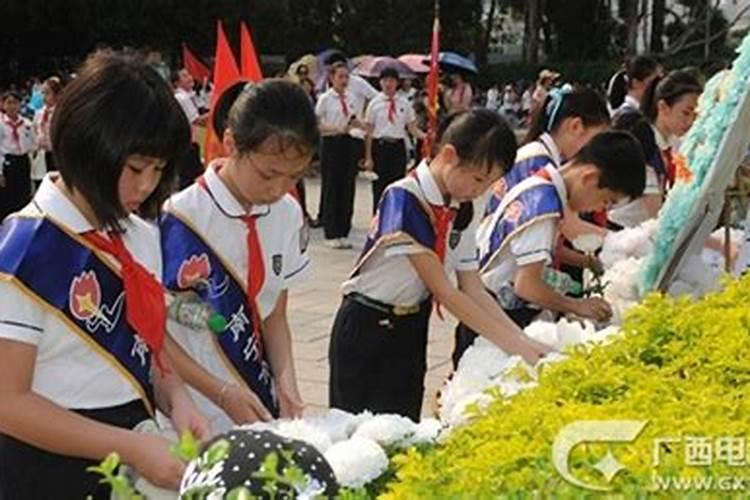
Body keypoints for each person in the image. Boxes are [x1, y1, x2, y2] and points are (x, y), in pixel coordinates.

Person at [0, 52, 208, 499]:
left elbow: (149, 347)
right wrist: (129, 446)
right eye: (135, 168)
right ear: (88, 146)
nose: (147, 186)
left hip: (131, 447)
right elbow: (7, 403)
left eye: (158, 170)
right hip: (45, 463)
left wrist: (178, 399)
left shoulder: (140, 236)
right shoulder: (24, 250)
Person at [329, 109, 551, 421]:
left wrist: (522, 338)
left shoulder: (460, 207)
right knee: (355, 433)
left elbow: (473, 288)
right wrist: (514, 344)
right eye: (477, 178)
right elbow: (445, 291)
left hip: (411, 325)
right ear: (449, 155)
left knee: (403, 427)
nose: (479, 190)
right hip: (367, 324)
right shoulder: (404, 198)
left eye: (488, 183)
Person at [160, 79, 316, 433]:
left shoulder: (287, 213)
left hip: (257, 395)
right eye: (268, 174)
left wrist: (287, 382)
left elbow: (274, 312)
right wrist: (220, 390)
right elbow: (156, 327)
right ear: (230, 143)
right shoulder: (180, 218)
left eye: (293, 176)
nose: (278, 189)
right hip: (192, 404)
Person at [453, 131, 646, 365]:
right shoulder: (543, 206)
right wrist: (577, 306)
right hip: (496, 316)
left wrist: (589, 263)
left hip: (489, 309)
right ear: (590, 178)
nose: (598, 208)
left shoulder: (540, 187)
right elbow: (527, 286)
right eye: (606, 200)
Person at [607, 69, 702, 228]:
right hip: (622, 233)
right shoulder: (644, 141)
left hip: (645, 230)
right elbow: (656, 212)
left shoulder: (672, 142)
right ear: (663, 107)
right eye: (686, 113)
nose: (691, 121)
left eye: (696, 115)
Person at [363, 67, 425, 211]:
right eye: (385, 80)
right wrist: (368, 157)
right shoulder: (374, 103)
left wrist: (426, 136)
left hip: (397, 147)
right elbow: (369, 132)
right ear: (380, 83)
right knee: (379, 187)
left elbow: (412, 128)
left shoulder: (404, 103)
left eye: (391, 80)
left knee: (397, 185)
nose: (388, 84)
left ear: (397, 83)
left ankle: (394, 217)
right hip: (380, 146)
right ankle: (378, 219)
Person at [315, 62, 363, 249]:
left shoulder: (351, 97)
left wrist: (361, 124)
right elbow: (318, 124)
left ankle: (344, 230)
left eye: (346, 77)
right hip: (331, 142)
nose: (344, 80)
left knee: (347, 186)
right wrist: (336, 128)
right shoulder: (325, 99)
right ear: (332, 78)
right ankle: (331, 231)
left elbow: (353, 117)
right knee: (332, 186)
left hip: (349, 142)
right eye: (340, 76)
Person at [0, 91, 35, 221]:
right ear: (3, 105)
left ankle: (22, 222)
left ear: (20, 105)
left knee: (23, 194)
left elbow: (33, 143)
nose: (12, 106)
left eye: (15, 103)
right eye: (8, 103)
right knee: (7, 197)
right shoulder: (1, 124)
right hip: (7, 162)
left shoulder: (26, 123)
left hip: (22, 161)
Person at [172, 68, 209, 189]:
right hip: (187, 144)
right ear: (177, 83)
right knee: (190, 181)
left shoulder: (188, 96)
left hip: (189, 143)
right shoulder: (182, 98)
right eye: (184, 76)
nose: (190, 78)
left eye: (189, 74)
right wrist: (218, 109)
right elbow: (198, 120)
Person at [33, 76, 63, 172]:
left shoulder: (61, 113)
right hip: (43, 153)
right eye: (42, 93)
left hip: (59, 153)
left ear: (57, 95)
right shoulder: (39, 113)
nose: (43, 97)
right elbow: (35, 131)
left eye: (47, 93)